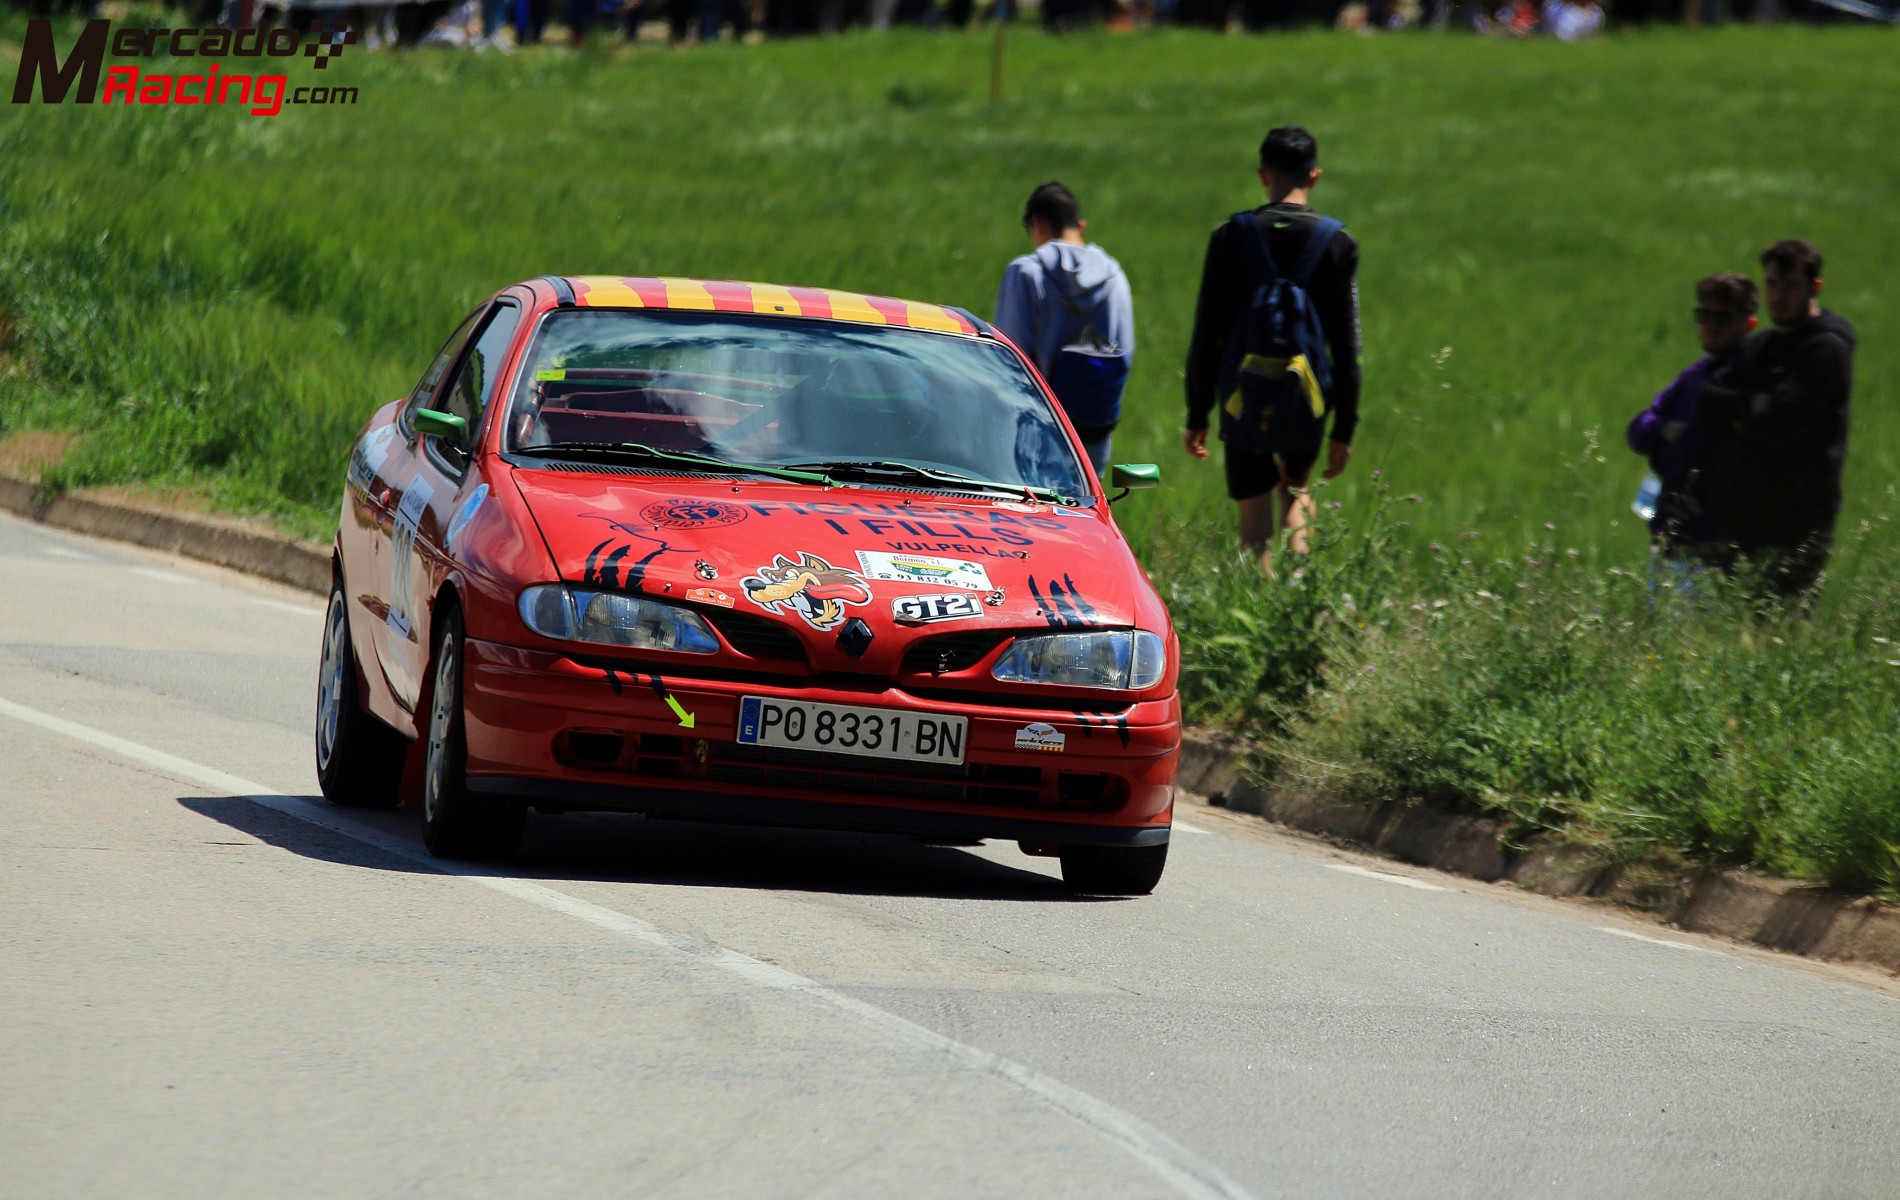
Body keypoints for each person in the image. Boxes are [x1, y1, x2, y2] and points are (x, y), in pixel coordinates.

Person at [1183, 126, 1362, 577]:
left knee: (1253, 529)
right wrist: (1345, 428)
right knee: (1296, 490)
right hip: (1308, 398)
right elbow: (1346, 347)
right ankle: (1299, 606)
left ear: (1264, 176)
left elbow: (1207, 333)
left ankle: (1255, 618)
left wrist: (1197, 413)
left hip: (1241, 397)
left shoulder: (1229, 237)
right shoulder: (1338, 244)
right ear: (1315, 176)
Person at [1697, 239, 1856, 597]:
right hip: (1743, 506)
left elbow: (1786, 418)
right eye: (1772, 284)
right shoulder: (1760, 346)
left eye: (1790, 286)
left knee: (1783, 619)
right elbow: (1708, 399)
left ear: (1814, 287)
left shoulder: (1825, 349)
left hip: (1798, 513)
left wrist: (1742, 410)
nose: (1779, 296)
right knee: (1734, 620)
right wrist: (1755, 406)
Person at [993, 181, 1136, 476]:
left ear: (1038, 224)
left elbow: (1007, 357)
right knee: (1080, 514)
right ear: (1080, 226)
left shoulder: (1025, 272)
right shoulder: (1115, 276)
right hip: (1093, 425)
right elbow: (1125, 352)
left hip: (1034, 428)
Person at [1625, 272, 1758, 580]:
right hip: (1674, 538)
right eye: (1704, 315)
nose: (1711, 324)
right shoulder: (1695, 375)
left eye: (1722, 317)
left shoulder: (1749, 378)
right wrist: (1661, 431)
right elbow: (1638, 431)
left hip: (1716, 548)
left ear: (1748, 323)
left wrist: (1669, 435)